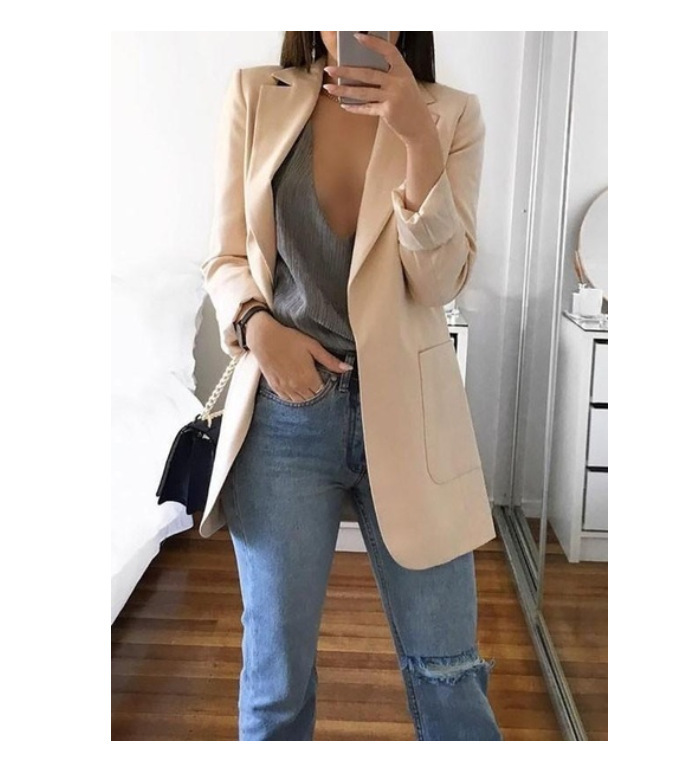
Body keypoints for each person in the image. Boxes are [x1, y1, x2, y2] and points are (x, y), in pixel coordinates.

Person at [202, 31, 503, 741]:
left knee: (450, 676)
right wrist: (257, 326)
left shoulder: (451, 114)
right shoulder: (257, 94)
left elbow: (441, 282)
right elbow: (225, 257)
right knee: (274, 684)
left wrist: (418, 139)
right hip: (285, 412)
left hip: (412, 417)